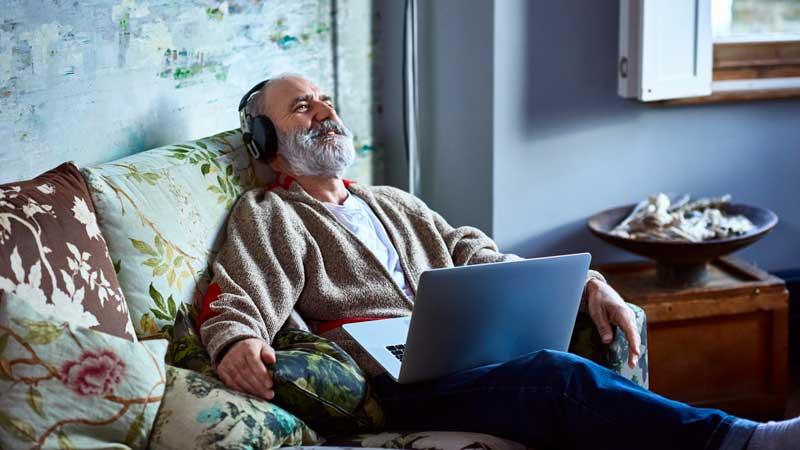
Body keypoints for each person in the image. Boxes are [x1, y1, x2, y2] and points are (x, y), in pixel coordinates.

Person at [198, 74, 797, 450]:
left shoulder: (390, 201)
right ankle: (742, 440)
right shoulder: (270, 214)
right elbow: (240, 295)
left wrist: (589, 285)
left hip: (464, 350)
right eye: (302, 108)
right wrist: (234, 343)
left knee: (615, 321)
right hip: (396, 382)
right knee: (557, 376)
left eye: (325, 101)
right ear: (268, 143)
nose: (325, 113)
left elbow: (472, 251)